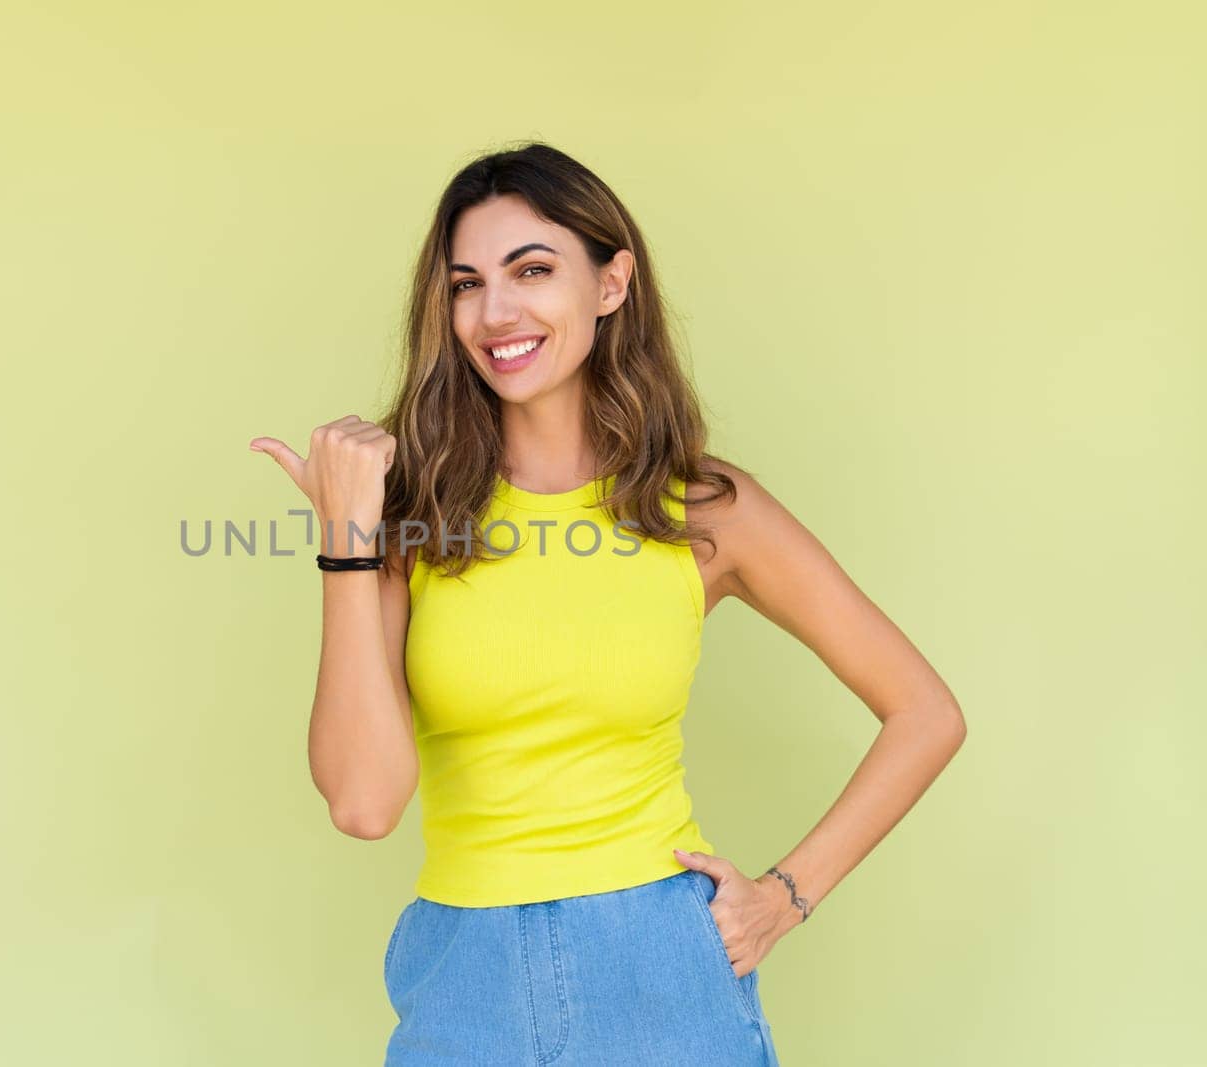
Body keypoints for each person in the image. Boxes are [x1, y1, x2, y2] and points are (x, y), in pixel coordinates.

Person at [249, 141, 966, 1066]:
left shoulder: (706, 512)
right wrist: (348, 537)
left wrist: (784, 896)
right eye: (466, 283)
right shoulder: (413, 517)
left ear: (612, 283)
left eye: (532, 270)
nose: (494, 311)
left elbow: (925, 713)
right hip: (464, 977)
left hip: (663, 969)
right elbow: (363, 802)